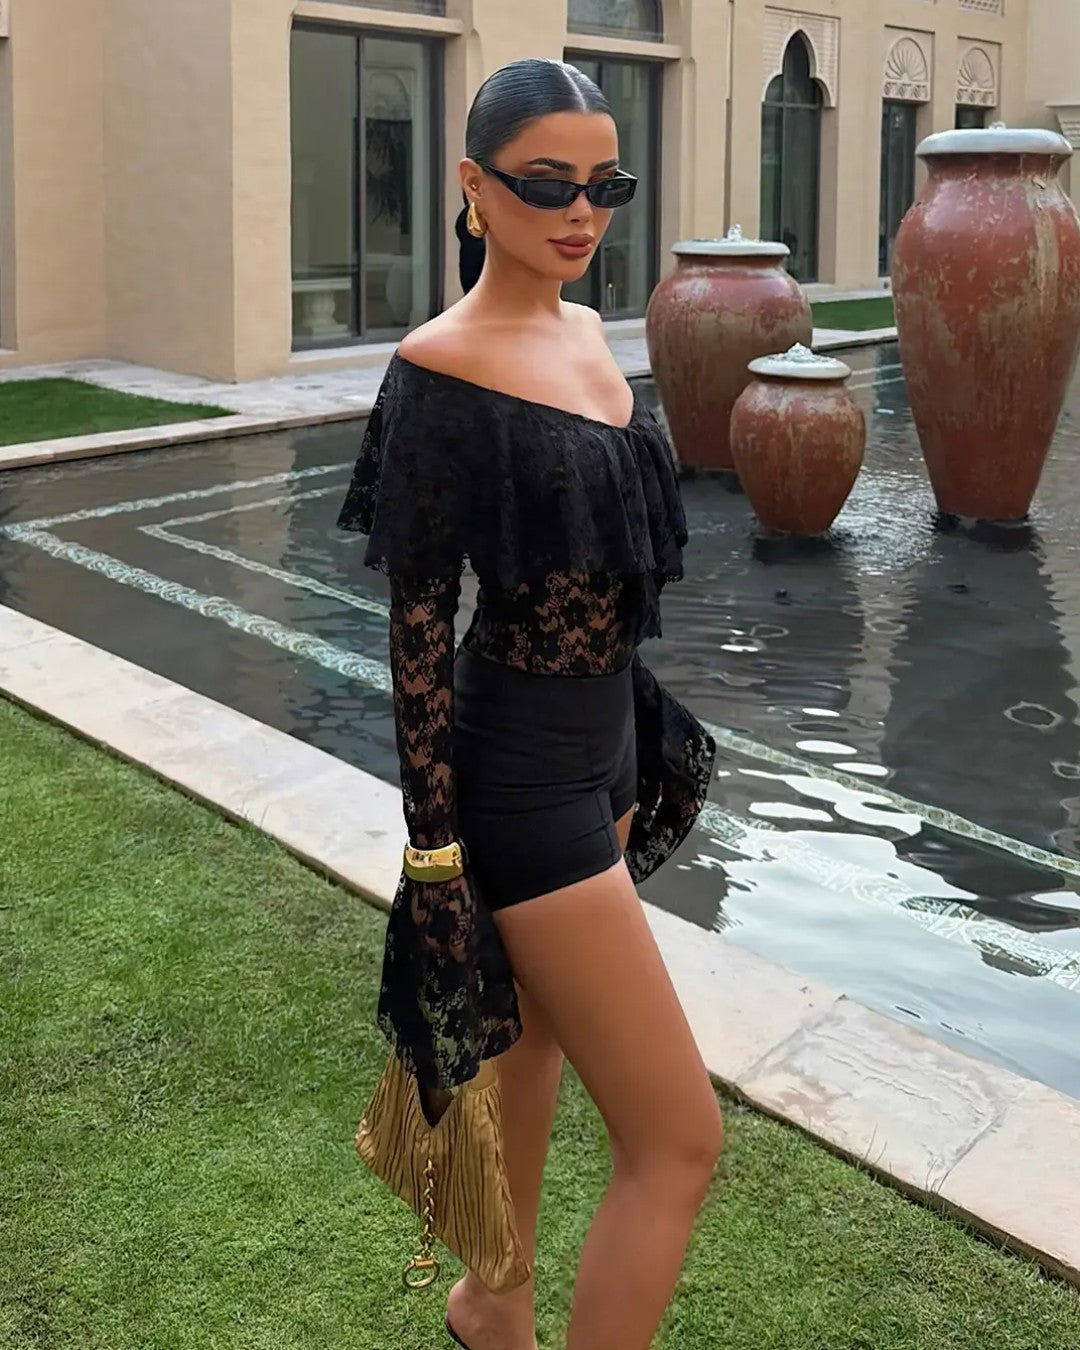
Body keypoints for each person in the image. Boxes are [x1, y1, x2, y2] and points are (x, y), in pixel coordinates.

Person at [337, 58, 723, 1350]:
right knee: (678, 1140)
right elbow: (417, 633)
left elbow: (603, 564)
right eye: (547, 184)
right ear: (474, 185)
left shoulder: (587, 333)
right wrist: (436, 859)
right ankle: (490, 1304)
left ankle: (490, 1303)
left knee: (536, 1047)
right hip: (520, 778)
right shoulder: (439, 370)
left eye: (605, 185)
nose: (580, 213)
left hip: (605, 747)